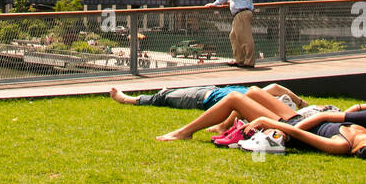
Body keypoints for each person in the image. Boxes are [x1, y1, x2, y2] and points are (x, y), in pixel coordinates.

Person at [157, 95, 366, 161]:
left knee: (236, 98)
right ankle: (220, 124)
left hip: (290, 126)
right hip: (300, 118)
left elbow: (300, 135)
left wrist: (269, 122)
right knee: (257, 91)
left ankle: (185, 131)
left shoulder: (346, 145)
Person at [109, 81, 305, 112]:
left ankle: (126, 99)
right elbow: (276, 87)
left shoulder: (253, 103)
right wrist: (303, 104)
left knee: (164, 98)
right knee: (169, 94)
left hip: (201, 98)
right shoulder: (258, 95)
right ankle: (166, 92)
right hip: (211, 89)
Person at [210, 0, 255, 67]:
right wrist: (230, 3)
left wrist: (215, 4)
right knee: (233, 36)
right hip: (244, 12)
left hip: (241, 14)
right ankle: (239, 59)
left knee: (245, 39)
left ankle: (249, 62)